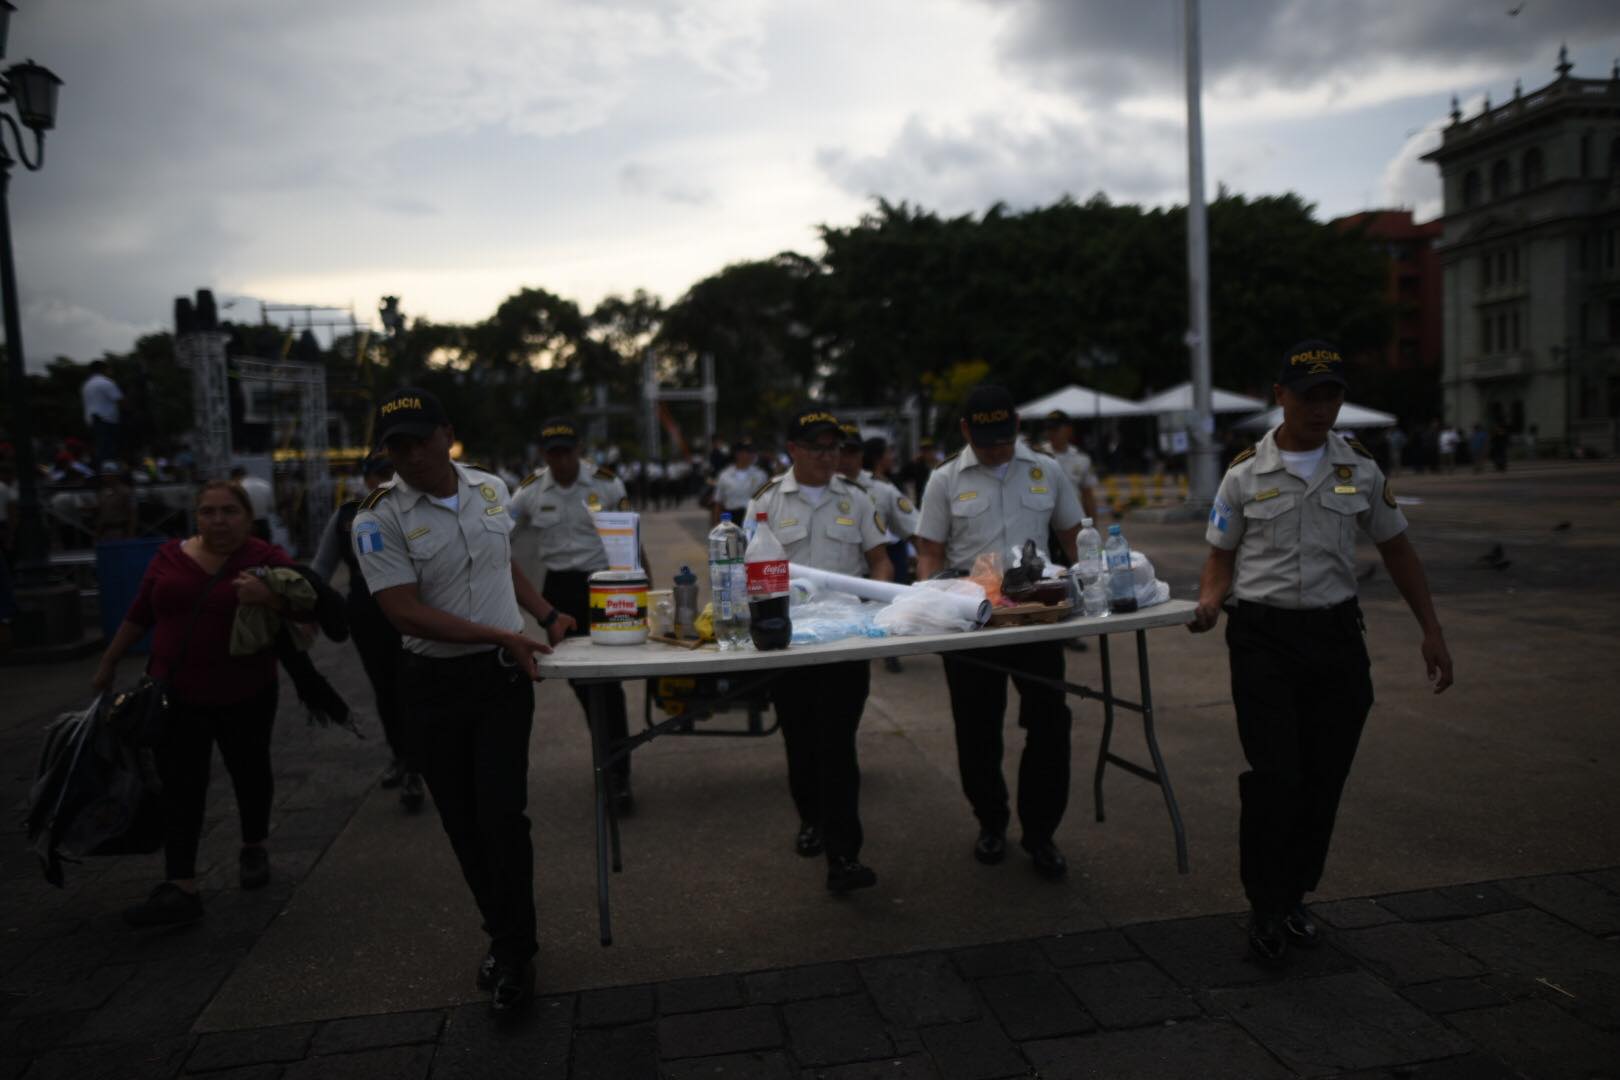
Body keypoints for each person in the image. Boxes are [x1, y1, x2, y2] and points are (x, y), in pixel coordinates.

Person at [1189, 340, 1453, 966]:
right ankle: (1265, 903)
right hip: (1263, 641)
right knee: (1275, 777)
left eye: (1332, 394)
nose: (1321, 407)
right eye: (1309, 395)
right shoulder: (1245, 473)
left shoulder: (1359, 468)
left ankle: (1296, 895)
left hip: (1336, 639)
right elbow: (1220, 559)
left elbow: (1397, 550)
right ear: (1280, 396)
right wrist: (1206, 604)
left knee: (1323, 778)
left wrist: (1432, 630)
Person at [353, 388, 571, 1017]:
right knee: (463, 822)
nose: (410, 455)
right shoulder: (378, 517)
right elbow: (403, 613)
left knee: (504, 815)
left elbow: (501, 562)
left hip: (501, 678)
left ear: (446, 433)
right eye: (396, 446)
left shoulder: (489, 487)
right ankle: (504, 935)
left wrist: (546, 612)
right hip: (434, 685)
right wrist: (503, 633)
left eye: (420, 440)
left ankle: (514, 949)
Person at [92, 480, 306, 927]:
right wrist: (109, 661)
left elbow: (309, 613)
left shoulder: (265, 559)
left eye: (229, 511)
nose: (218, 520)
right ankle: (181, 883)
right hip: (174, 694)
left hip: (245, 691)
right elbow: (140, 612)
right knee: (180, 784)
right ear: (196, 517)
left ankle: (253, 846)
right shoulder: (169, 556)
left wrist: (268, 596)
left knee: (249, 770)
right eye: (208, 511)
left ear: (248, 518)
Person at [914, 385, 1083, 881]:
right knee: (977, 730)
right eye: (987, 440)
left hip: (1036, 617)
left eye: (1005, 438)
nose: (997, 449)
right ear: (966, 431)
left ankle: (1041, 832)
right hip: (972, 619)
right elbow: (930, 549)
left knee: (1050, 724)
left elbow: (1073, 537)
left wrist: (1092, 589)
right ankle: (990, 821)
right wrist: (928, 604)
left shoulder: (1046, 470)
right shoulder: (945, 478)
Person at [746, 409, 891, 893]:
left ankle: (844, 854)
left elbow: (880, 560)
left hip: (845, 640)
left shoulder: (857, 498)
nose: (830, 457)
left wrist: (877, 606)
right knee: (800, 740)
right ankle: (810, 819)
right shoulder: (766, 502)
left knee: (838, 744)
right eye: (818, 448)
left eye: (835, 448)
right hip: (787, 642)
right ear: (793, 450)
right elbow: (745, 568)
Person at [508, 417, 637, 811]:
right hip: (558, 594)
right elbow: (495, 534)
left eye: (566, 451)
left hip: (603, 586)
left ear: (578, 449)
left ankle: (618, 775)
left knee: (608, 683)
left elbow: (630, 536)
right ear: (544, 455)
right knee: (581, 683)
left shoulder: (606, 483)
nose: (561, 460)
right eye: (553, 453)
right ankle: (609, 760)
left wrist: (640, 589)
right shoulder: (530, 491)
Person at [312, 454, 423, 811]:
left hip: (412, 605)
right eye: (377, 475)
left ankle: (416, 766)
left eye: (390, 473)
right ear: (366, 479)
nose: (383, 482)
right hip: (367, 610)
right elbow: (322, 566)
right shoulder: (347, 515)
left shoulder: (417, 509)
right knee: (384, 688)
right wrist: (304, 605)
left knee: (411, 686)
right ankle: (400, 756)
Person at [843, 429, 919, 673]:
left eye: (852, 452)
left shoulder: (882, 489)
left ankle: (890, 652)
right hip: (843, 575)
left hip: (877, 568)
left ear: (861, 455)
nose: (846, 459)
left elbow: (914, 528)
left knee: (886, 613)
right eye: (841, 452)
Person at [711, 438, 769, 526]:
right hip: (731, 519)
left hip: (753, 519)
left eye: (752, 452)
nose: (751, 455)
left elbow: (766, 502)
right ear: (737, 454)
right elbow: (718, 502)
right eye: (747, 452)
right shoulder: (725, 475)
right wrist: (716, 524)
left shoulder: (760, 475)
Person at [82, 360, 124, 468]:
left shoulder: (87, 385)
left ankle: (103, 475)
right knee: (109, 450)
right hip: (107, 420)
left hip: (93, 421)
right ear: (103, 369)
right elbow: (120, 400)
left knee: (101, 450)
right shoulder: (106, 383)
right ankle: (110, 478)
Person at [230, 467, 275, 541]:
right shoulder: (265, 484)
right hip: (263, 524)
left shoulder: (239, 487)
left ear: (236, 476)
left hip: (247, 525)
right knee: (265, 548)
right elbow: (271, 507)